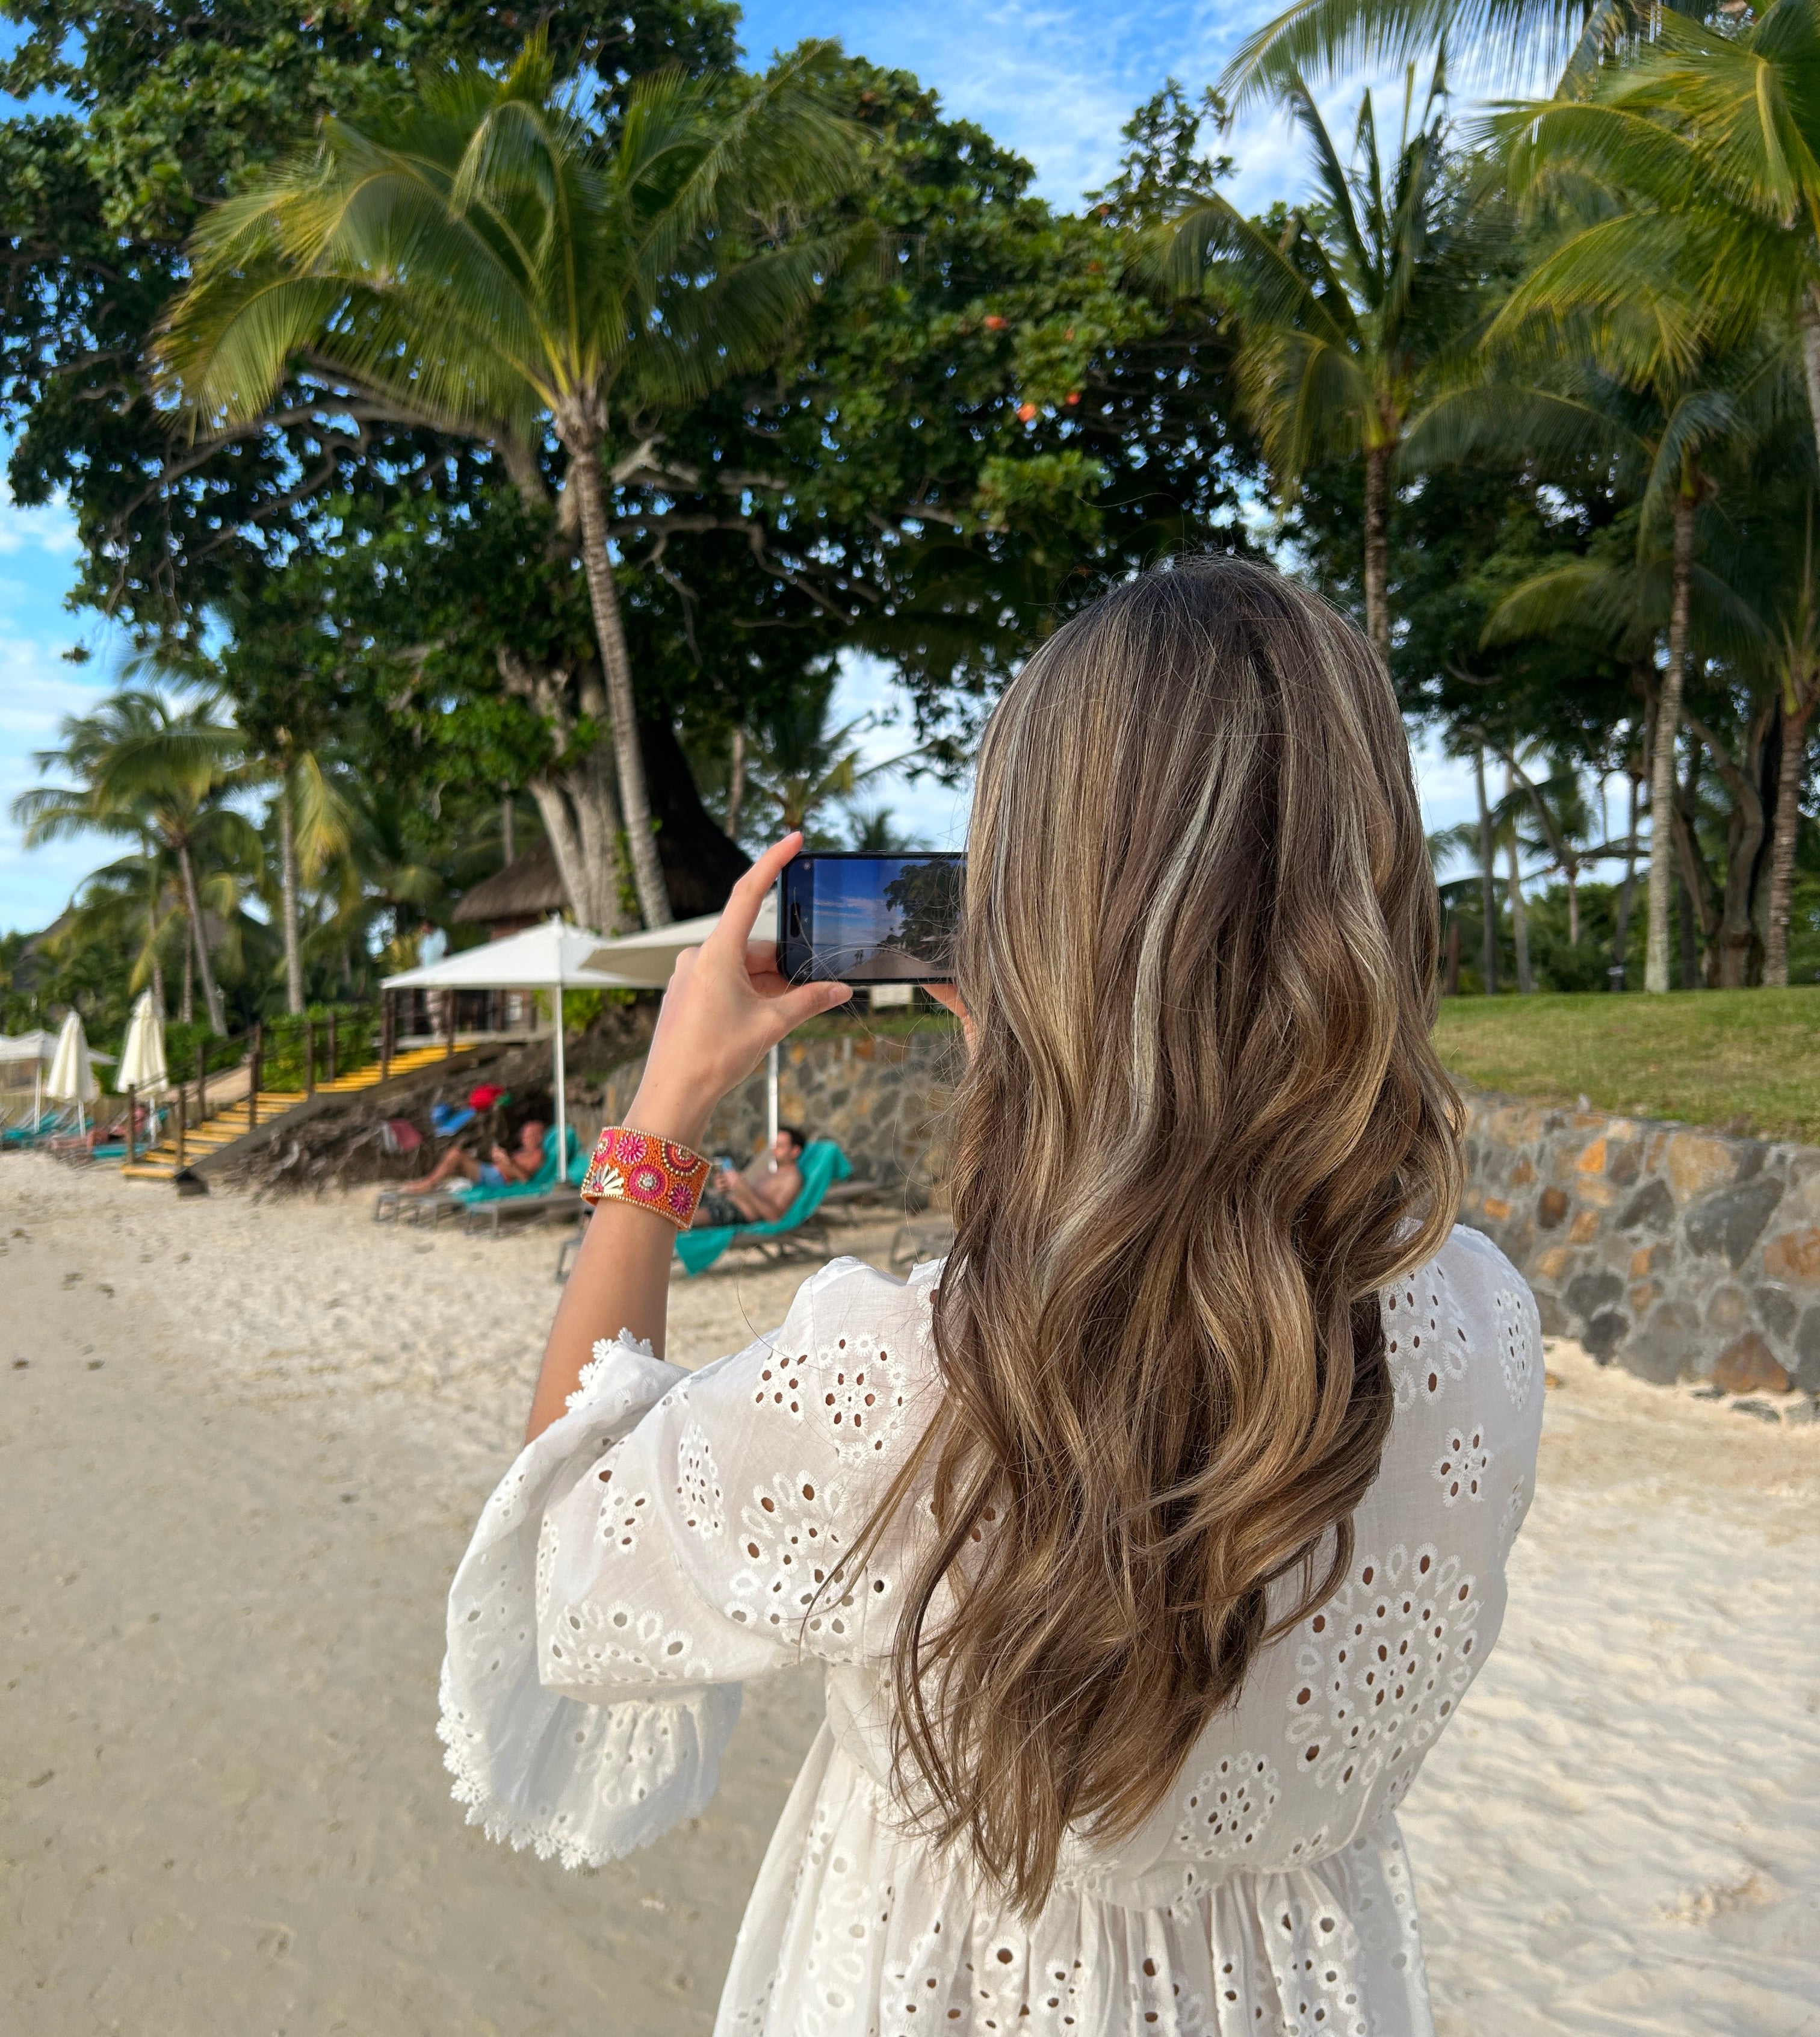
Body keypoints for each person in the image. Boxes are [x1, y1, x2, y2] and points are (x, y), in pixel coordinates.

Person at [439, 557, 1545, 2036]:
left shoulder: (908, 1374)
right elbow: (1192, 1285)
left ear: (1022, 915)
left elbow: (558, 1572)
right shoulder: (1478, 1327)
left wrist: (669, 1108)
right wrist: (1077, 1078)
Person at [697, 1123, 809, 1227]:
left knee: (684, 1216)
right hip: (722, 1203)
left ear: (795, 1151)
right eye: (775, 1145)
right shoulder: (768, 1173)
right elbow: (742, 1194)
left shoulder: (792, 1179)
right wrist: (724, 1189)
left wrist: (742, 1186)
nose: (774, 1150)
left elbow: (774, 1216)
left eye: (780, 1146)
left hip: (731, 1212)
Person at [400, 1115, 545, 1195]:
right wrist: (500, 1158)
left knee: (456, 1154)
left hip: (498, 1179)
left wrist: (507, 1161)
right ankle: (427, 1183)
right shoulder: (524, 1152)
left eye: (529, 1136)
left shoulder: (537, 1156)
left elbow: (525, 1179)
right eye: (524, 1135)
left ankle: (427, 1184)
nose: (524, 1139)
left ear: (539, 1137)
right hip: (493, 1173)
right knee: (452, 1163)